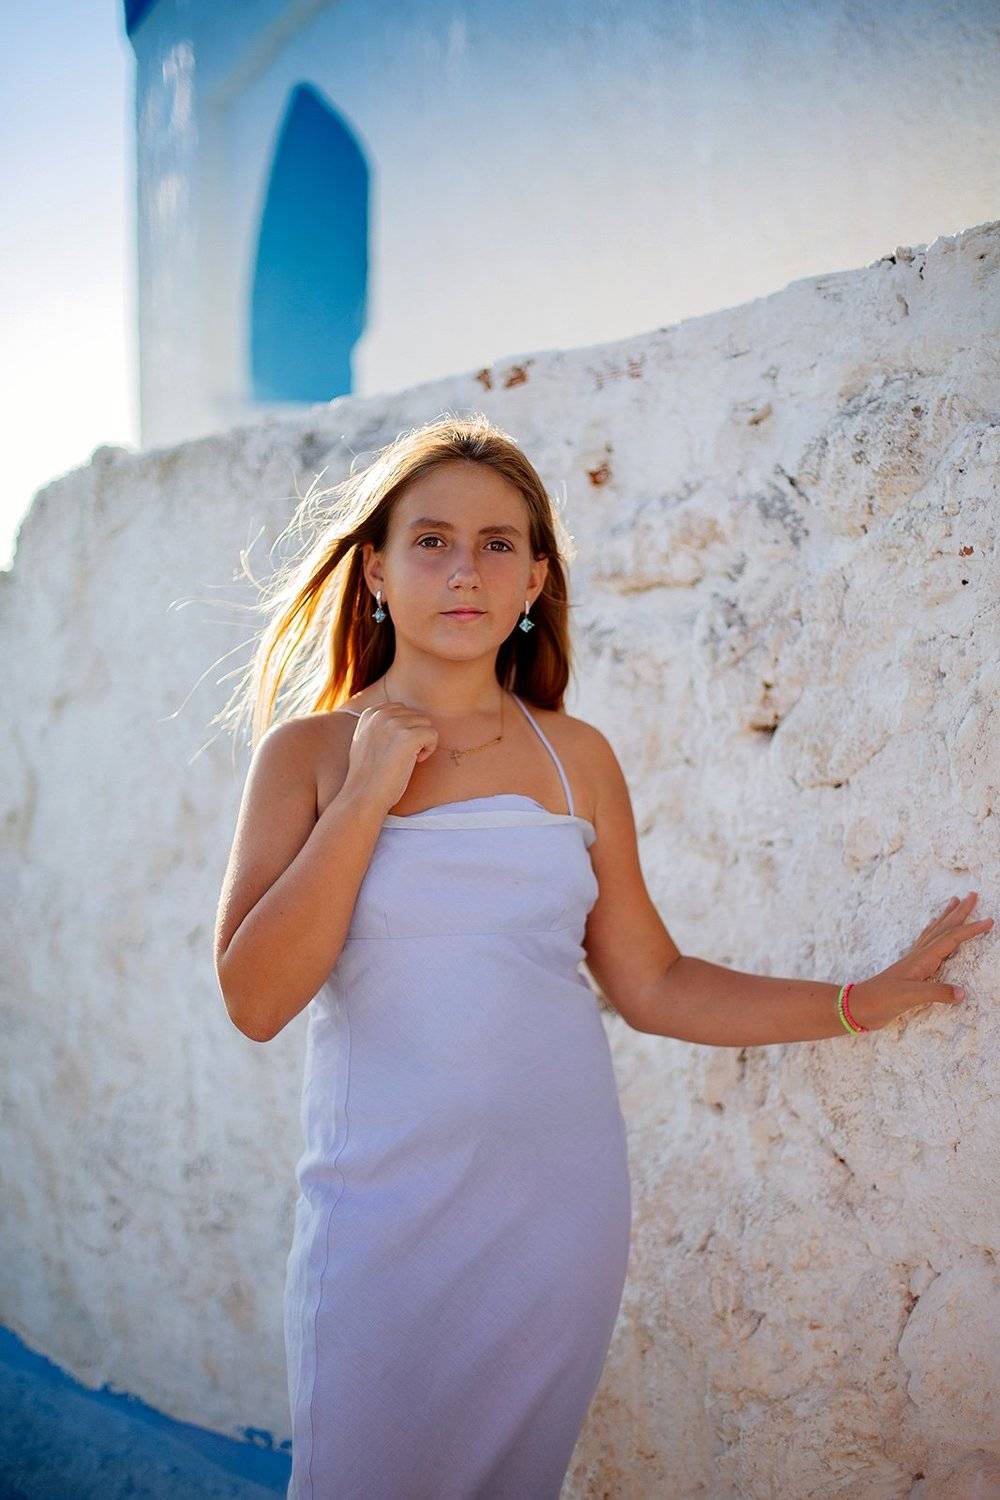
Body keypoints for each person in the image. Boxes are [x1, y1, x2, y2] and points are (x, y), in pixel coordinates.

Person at [212, 412, 992, 1499]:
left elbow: (652, 982)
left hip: (557, 1211)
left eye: (497, 543)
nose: (465, 569)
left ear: (535, 577)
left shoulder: (573, 756)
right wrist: (364, 798)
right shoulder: (307, 755)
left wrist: (857, 1002)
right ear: (377, 571)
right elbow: (255, 1000)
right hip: (382, 1211)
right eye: (430, 541)